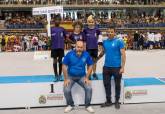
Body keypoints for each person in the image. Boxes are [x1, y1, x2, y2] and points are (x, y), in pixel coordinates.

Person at [97, 26, 126, 109]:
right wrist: (96, 60)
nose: (110, 33)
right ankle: (108, 101)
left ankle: (117, 101)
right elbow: (103, 52)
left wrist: (122, 67)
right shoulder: (105, 42)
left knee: (117, 85)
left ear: (114, 32)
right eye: (108, 32)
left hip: (116, 67)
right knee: (106, 84)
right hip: (106, 67)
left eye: (111, 32)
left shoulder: (119, 42)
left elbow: (123, 55)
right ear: (107, 32)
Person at [62, 40, 95, 113]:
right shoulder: (69, 54)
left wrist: (87, 77)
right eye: (78, 47)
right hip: (70, 76)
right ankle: (70, 105)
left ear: (83, 48)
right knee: (66, 90)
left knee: (89, 88)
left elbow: (90, 65)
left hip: (81, 77)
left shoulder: (86, 54)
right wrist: (66, 79)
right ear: (75, 46)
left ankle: (88, 105)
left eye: (81, 47)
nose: (79, 49)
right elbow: (64, 66)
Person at [83, 15, 101, 80]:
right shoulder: (85, 30)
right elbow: (84, 40)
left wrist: (97, 44)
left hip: (95, 48)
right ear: (87, 22)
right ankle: (89, 74)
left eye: (92, 22)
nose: (91, 23)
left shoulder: (97, 30)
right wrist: (84, 48)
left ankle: (94, 73)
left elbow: (98, 37)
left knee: (94, 61)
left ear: (94, 22)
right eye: (89, 22)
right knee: (88, 62)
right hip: (88, 48)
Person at [51, 14, 68, 81]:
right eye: (56, 20)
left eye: (59, 20)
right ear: (54, 21)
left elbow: (66, 38)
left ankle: (60, 75)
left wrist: (73, 42)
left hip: (61, 47)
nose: (57, 21)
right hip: (54, 47)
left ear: (60, 21)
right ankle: (56, 75)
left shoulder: (62, 29)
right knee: (55, 61)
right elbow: (48, 36)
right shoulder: (51, 29)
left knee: (60, 61)